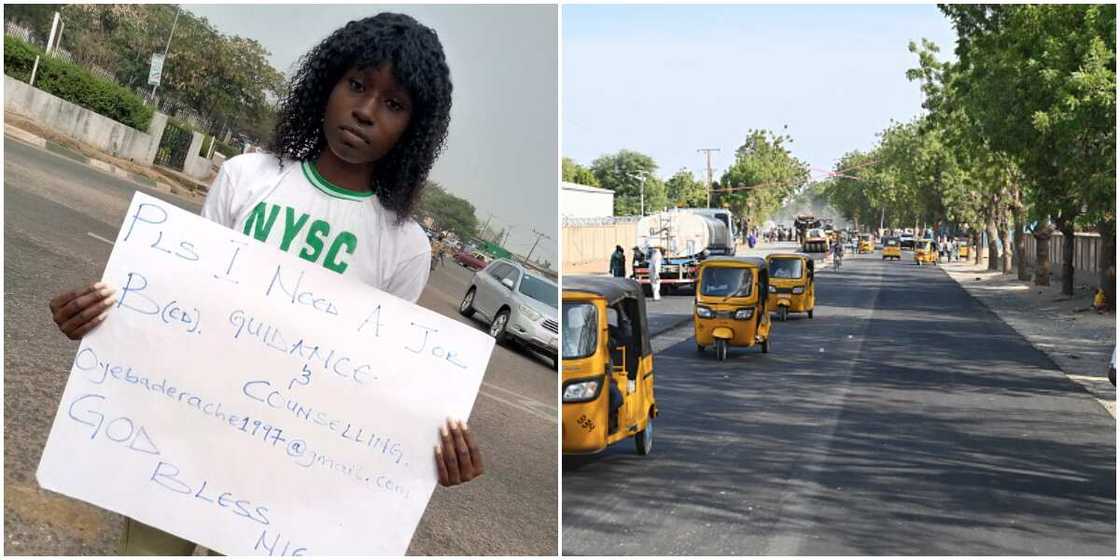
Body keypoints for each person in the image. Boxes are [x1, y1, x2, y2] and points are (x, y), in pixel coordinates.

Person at [47, 13, 483, 555]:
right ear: (327, 84)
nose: (367, 111)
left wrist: (428, 452)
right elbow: (178, 304)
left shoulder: (403, 245)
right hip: (176, 446)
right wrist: (101, 323)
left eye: (394, 105)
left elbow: (377, 388)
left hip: (280, 485)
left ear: (411, 130)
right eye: (357, 85)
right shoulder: (246, 178)